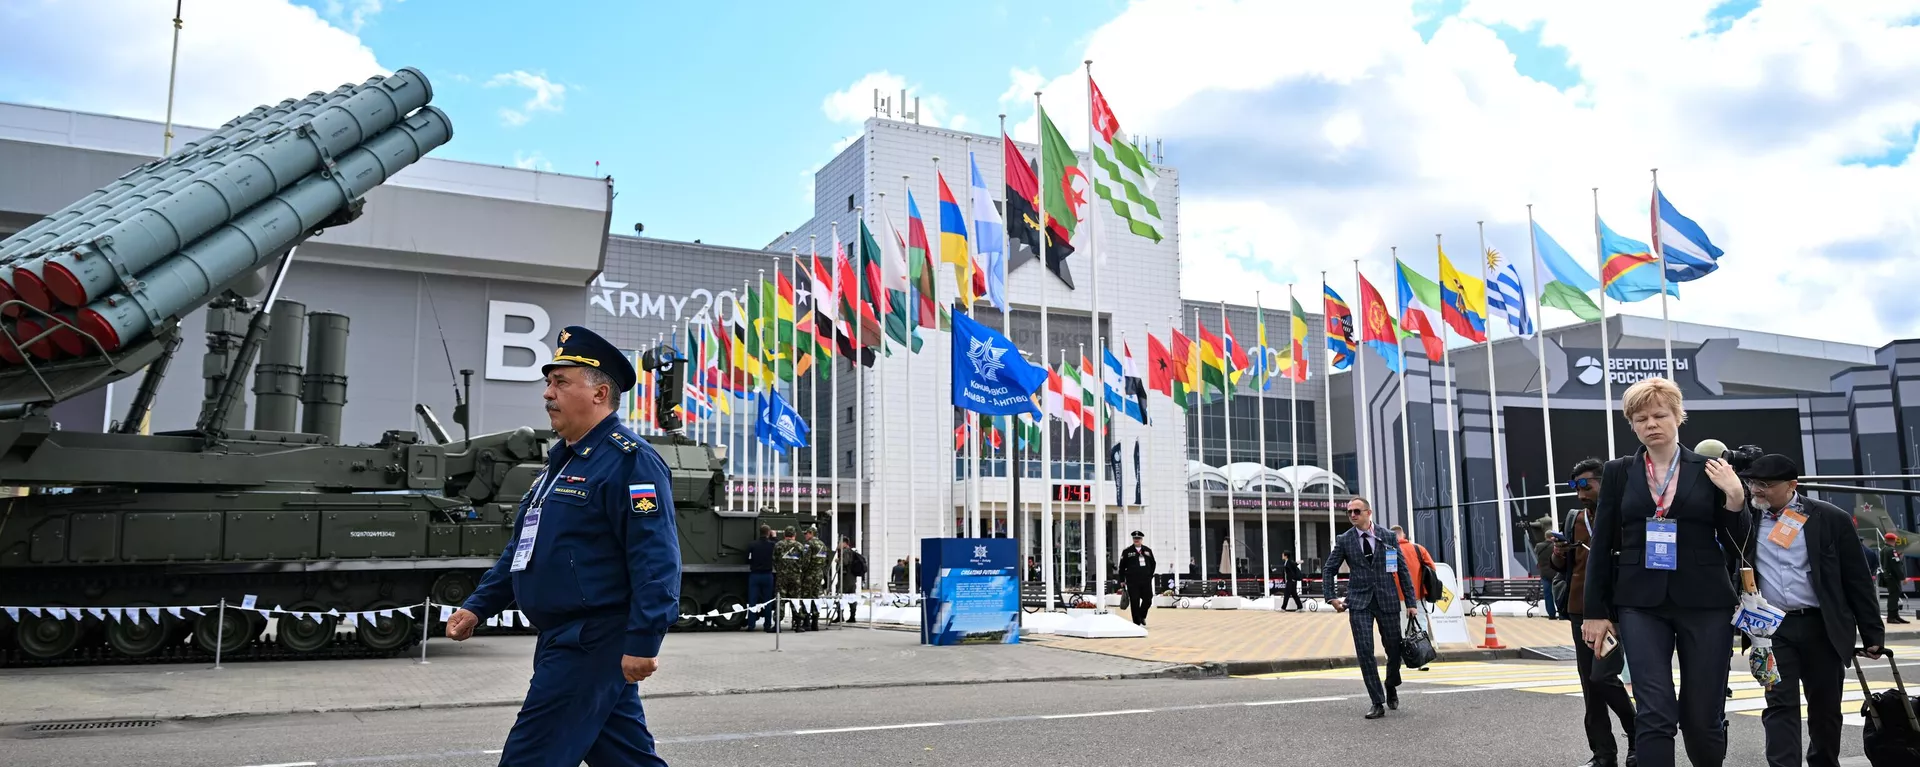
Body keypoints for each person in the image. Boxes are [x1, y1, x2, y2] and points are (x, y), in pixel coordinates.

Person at [446, 324, 679, 767]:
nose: (547, 394)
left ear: (599, 393)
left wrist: (645, 639)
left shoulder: (630, 462)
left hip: (592, 640)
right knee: (625, 759)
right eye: (548, 383)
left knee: (530, 757)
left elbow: (655, 558)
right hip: (563, 637)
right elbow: (525, 547)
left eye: (560, 382)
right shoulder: (558, 464)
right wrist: (479, 605)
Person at [1583, 377, 1752, 767]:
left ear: (1679, 417)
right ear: (1632, 425)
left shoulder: (1708, 468)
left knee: (1702, 717)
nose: (1651, 424)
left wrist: (1735, 497)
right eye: (1640, 418)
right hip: (1639, 601)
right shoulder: (1619, 472)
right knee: (1654, 712)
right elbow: (1603, 544)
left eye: (1660, 415)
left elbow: (1738, 544)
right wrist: (1596, 611)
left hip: (1706, 601)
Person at [1742, 455, 1885, 767]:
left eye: (1765, 485)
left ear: (1792, 485)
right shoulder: (1746, 520)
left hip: (1823, 627)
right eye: (1753, 483)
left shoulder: (1830, 518)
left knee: (1825, 708)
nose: (1757, 490)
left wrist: (1873, 632)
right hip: (1772, 630)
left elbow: (1857, 579)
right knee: (1779, 704)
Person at [1553, 457, 1636, 767]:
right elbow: (1562, 569)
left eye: (1586, 485)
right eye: (1575, 487)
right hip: (1580, 611)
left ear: (1605, 482)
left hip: (1614, 612)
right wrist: (1560, 553)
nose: (1580, 493)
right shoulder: (1574, 518)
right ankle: (1603, 754)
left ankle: (1637, 732)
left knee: (1603, 677)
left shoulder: (1622, 516)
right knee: (1590, 686)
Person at [1324, 496, 1419, 720]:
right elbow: (1329, 569)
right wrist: (1331, 597)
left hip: (1387, 599)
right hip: (1359, 602)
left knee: (1394, 650)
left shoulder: (1387, 537)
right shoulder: (1344, 539)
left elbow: (1402, 571)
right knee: (1365, 651)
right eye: (1349, 512)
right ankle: (1377, 701)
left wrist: (1411, 603)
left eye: (1357, 511)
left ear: (1369, 513)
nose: (1352, 515)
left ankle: (1391, 684)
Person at [1117, 530, 1157, 627]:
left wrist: (1150, 575)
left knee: (1148, 599)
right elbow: (1121, 567)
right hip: (1132, 581)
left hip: (1145, 581)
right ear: (1133, 539)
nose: (1136, 540)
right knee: (1134, 601)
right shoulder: (1127, 551)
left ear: (1141, 539)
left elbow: (1153, 564)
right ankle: (1136, 622)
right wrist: (1122, 580)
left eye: (1138, 538)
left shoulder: (1147, 551)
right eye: (1135, 538)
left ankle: (1142, 615)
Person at [746, 525, 776, 632]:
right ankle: (767, 625)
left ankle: (751, 625)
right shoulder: (772, 545)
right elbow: (778, 549)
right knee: (767, 601)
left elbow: (747, 558)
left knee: (752, 601)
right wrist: (774, 537)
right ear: (768, 533)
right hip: (768, 575)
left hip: (755, 575)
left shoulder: (752, 545)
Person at [773, 528, 805, 631]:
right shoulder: (800, 546)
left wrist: (780, 569)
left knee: (780, 600)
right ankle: (798, 625)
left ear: (785, 534)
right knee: (795, 600)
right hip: (795, 577)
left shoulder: (779, 545)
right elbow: (803, 561)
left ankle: (777, 625)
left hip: (782, 577)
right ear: (794, 535)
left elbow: (774, 559)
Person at [799, 526, 826, 631]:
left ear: (811, 533)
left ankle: (806, 623)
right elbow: (824, 560)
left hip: (809, 575)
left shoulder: (809, 544)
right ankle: (815, 623)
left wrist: (802, 570)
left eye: (806, 534)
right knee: (815, 597)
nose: (805, 536)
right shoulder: (822, 544)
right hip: (818, 574)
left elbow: (805, 561)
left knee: (806, 598)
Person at [1880, 534, 1909, 624]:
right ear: (1893, 540)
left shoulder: (1883, 549)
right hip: (1893, 577)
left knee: (1894, 595)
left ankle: (1895, 616)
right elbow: (1896, 566)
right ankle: (1892, 616)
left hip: (1888, 575)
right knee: (1894, 596)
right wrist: (1902, 577)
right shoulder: (1892, 550)